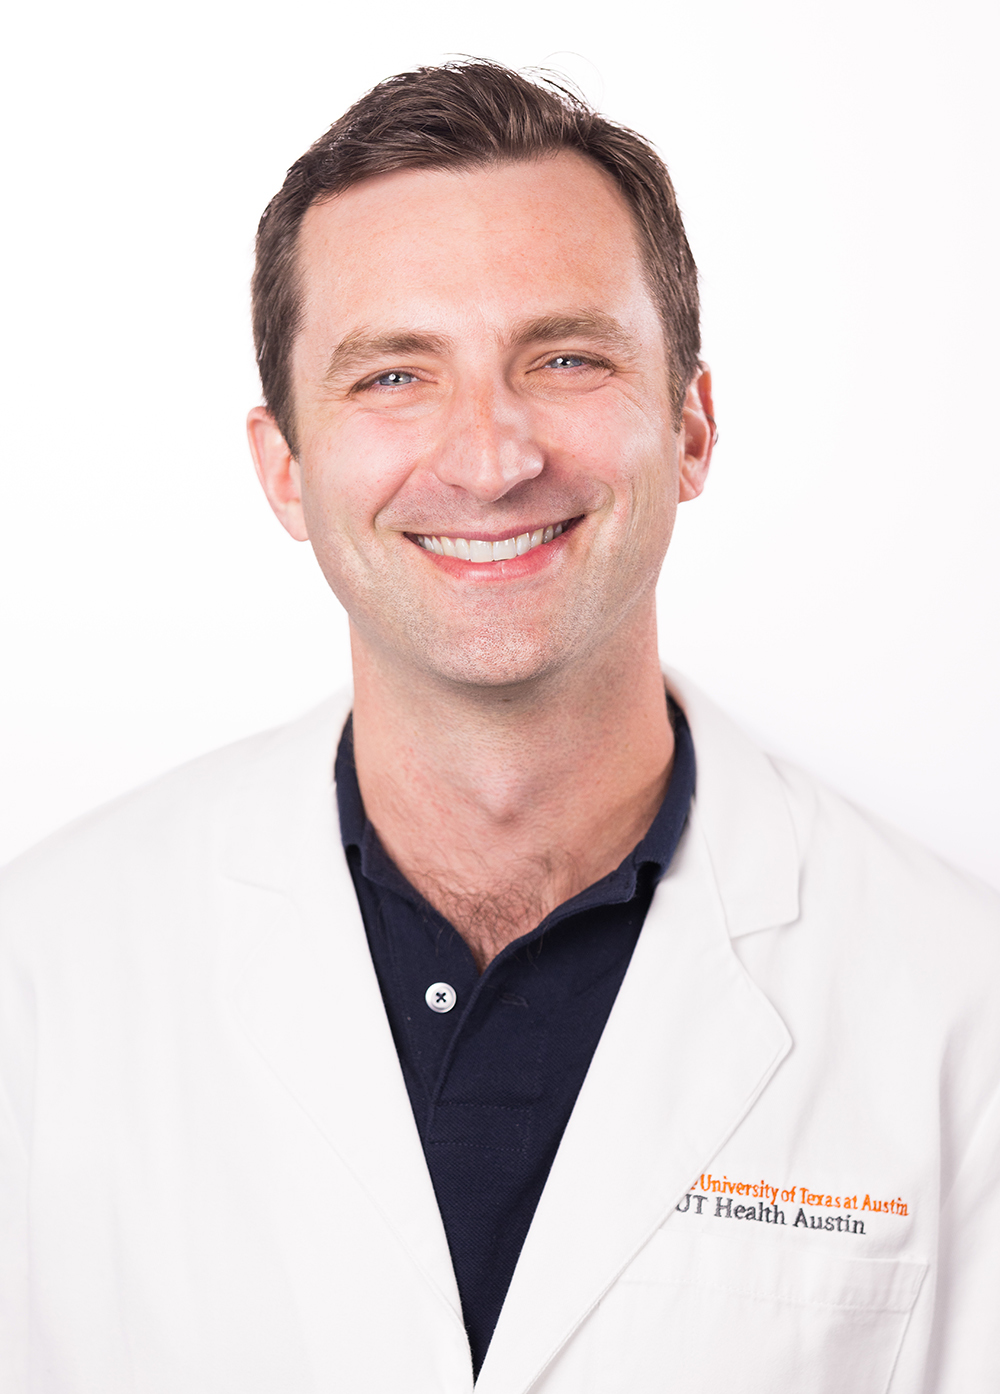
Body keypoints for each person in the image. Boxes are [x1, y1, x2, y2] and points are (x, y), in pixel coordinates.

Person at [0, 60, 997, 1394]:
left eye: (566, 356)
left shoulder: (955, 1009)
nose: (489, 456)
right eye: (395, 374)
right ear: (284, 469)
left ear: (691, 423)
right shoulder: (47, 975)